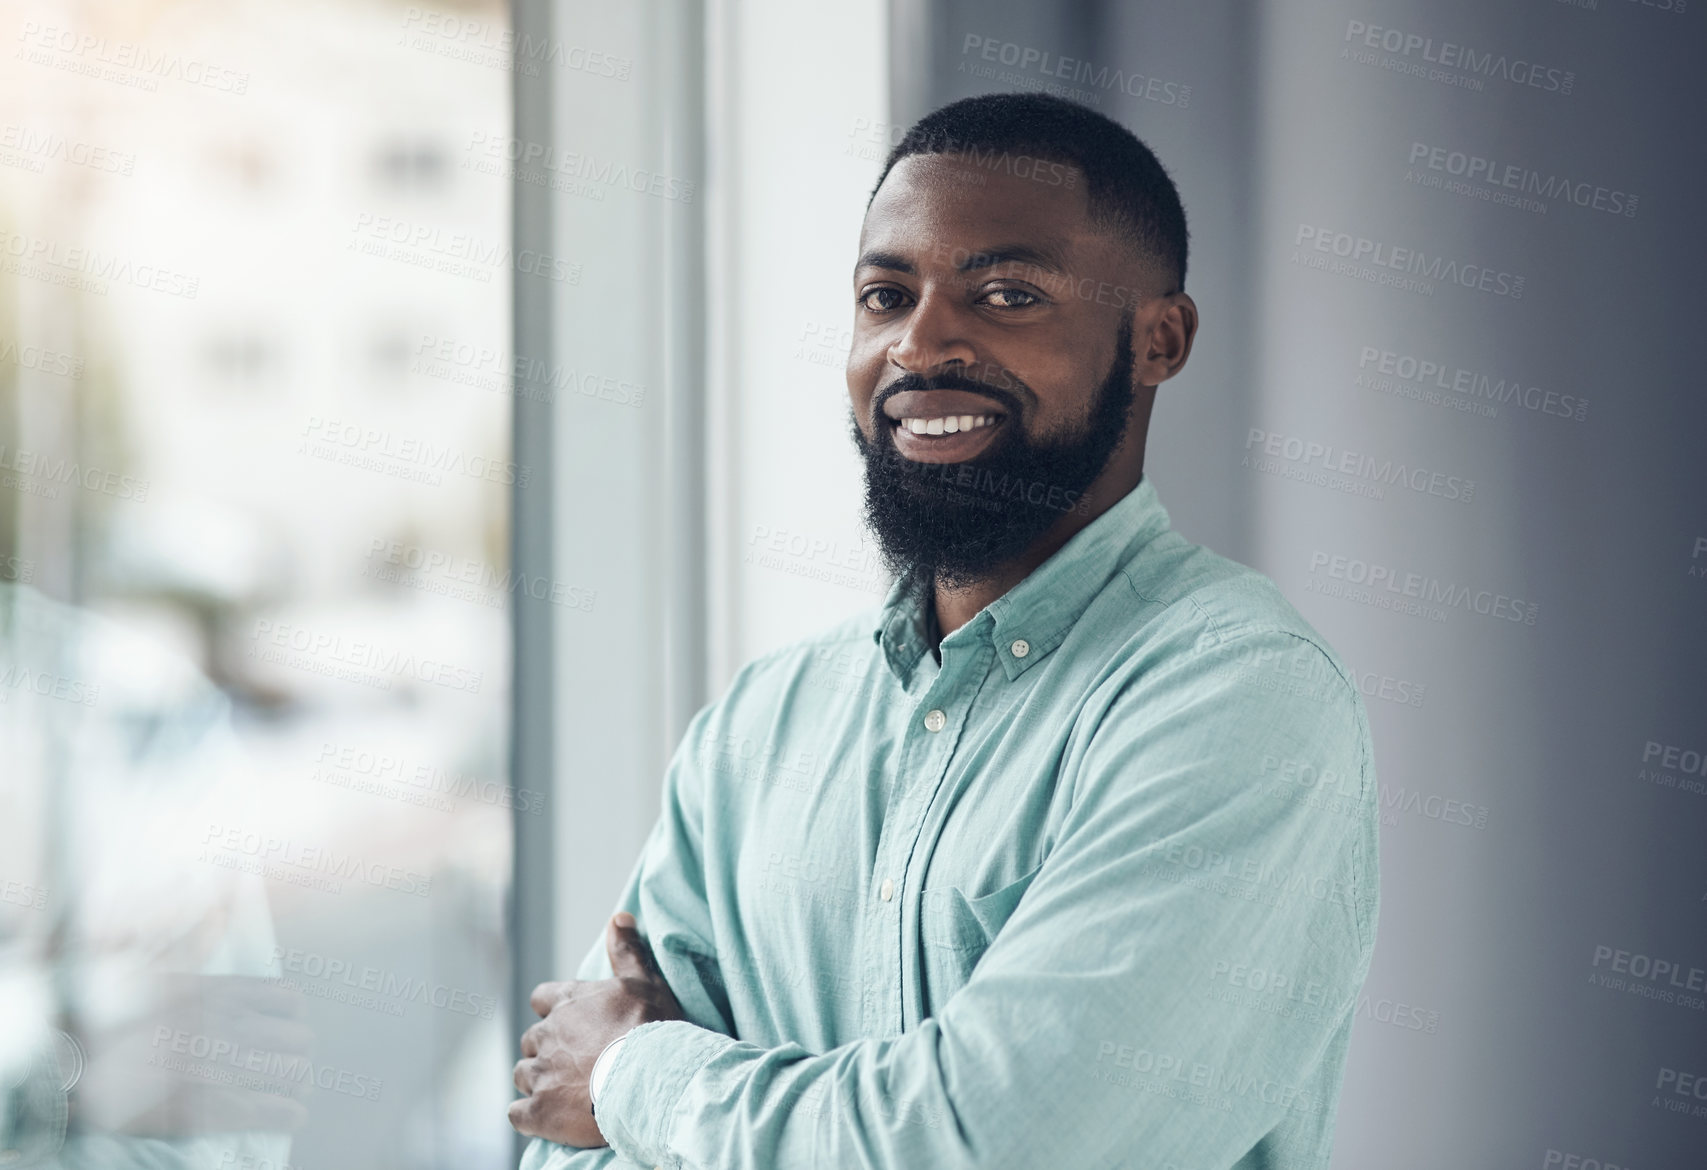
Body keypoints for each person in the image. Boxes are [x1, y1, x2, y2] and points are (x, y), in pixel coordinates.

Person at [509, 92, 1380, 1170]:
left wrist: (636, 1077)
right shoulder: (757, 728)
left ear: (1160, 340)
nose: (921, 346)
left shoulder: (1239, 702)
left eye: (1007, 294)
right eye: (886, 294)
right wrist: (614, 1095)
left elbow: (991, 1146)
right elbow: (567, 1148)